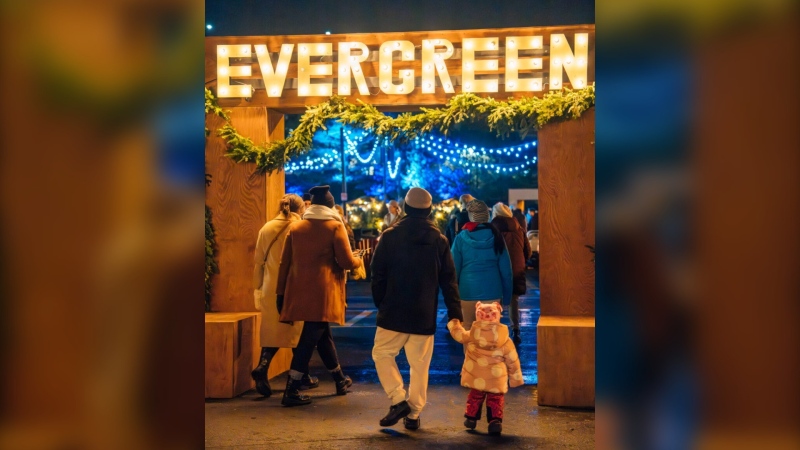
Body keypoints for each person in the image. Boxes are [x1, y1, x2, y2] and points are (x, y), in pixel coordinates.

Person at [370, 187, 463, 430]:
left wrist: (381, 301)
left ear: (405, 208)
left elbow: (377, 274)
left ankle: (398, 398)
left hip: (393, 310)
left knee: (382, 354)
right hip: (423, 312)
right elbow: (449, 281)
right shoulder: (439, 240)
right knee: (419, 365)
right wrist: (455, 314)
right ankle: (413, 414)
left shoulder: (389, 236)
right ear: (429, 211)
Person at [276, 185, 364, 406]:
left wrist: (280, 293)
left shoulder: (296, 228)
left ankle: (339, 379)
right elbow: (345, 261)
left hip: (299, 291)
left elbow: (284, 263)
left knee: (322, 335)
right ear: (330, 206)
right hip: (323, 292)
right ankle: (292, 389)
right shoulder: (335, 226)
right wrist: (358, 259)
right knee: (309, 338)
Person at [251, 194, 319, 397]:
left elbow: (258, 262)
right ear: (301, 209)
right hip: (294, 286)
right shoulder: (300, 228)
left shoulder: (266, 228)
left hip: (270, 287)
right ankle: (300, 376)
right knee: (298, 334)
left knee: (273, 331)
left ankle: (263, 366)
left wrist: (257, 289)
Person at [447, 301, 524, 436]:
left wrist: (454, 323)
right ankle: (495, 422)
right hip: (496, 377)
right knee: (496, 398)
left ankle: (471, 418)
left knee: (475, 395)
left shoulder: (472, 334)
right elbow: (513, 360)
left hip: (477, 375)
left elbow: (458, 335)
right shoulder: (504, 339)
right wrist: (516, 378)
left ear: (478, 316)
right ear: (498, 315)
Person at [451, 199, 513, 330]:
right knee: (491, 332)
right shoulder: (497, 236)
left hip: (467, 292)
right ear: (487, 215)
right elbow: (506, 271)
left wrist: (453, 296)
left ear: (470, 216)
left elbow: (453, 270)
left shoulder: (461, 238)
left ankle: (469, 352)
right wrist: (507, 298)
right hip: (493, 293)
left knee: (468, 330)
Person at [491, 202, 531, 344]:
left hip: (499, 268)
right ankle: (516, 330)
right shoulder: (518, 227)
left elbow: (492, 250)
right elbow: (528, 250)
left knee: (497, 301)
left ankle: (496, 330)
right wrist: (521, 262)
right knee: (514, 300)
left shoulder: (493, 228)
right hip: (517, 268)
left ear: (495, 213)